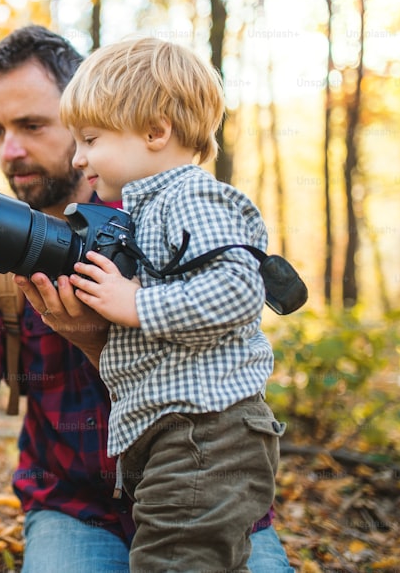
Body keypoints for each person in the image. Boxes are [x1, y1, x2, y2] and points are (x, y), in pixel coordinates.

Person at [0, 26, 293, 572]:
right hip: (77, 505)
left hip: (206, 485)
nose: (11, 150)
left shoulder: (167, 220)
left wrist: (104, 335)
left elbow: (219, 344)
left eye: (32, 125)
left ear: (86, 122)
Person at [59, 36, 285, 571]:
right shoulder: (146, 211)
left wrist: (136, 304)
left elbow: (238, 290)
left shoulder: (191, 196)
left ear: (156, 131)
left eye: (90, 138)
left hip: (208, 433)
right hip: (180, 435)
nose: (78, 156)